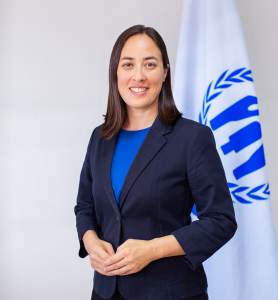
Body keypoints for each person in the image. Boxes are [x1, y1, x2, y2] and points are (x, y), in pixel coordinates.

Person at [74, 25, 237, 300]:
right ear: (116, 72)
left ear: (165, 72)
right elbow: (85, 206)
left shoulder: (192, 138)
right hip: (105, 290)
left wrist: (152, 250)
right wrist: (90, 242)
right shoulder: (100, 138)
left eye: (150, 64)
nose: (138, 75)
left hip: (170, 292)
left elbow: (220, 220)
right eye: (128, 64)